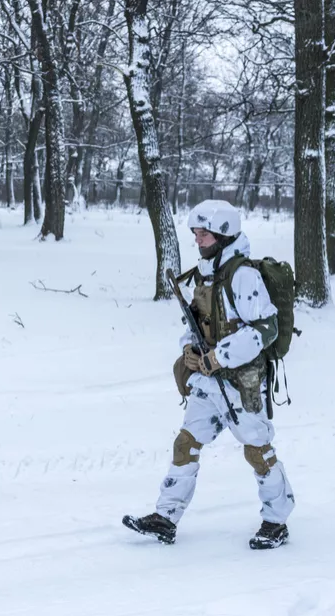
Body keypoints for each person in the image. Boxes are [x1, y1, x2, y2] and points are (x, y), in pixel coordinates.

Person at [123, 200, 294, 549]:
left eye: (204, 234)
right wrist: (191, 349)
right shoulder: (204, 273)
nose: (198, 240)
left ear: (224, 235)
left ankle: (277, 521)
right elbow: (199, 322)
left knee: (257, 452)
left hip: (241, 383)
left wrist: (220, 357)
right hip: (208, 381)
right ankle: (165, 517)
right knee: (185, 444)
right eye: (196, 234)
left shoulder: (243, 276)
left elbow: (265, 328)